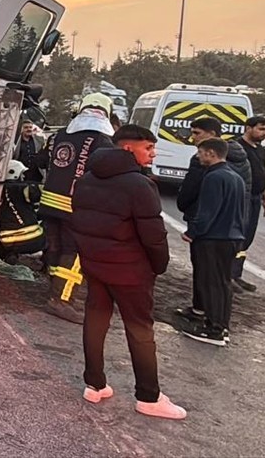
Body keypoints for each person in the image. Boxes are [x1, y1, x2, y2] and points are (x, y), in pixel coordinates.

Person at [69, 124, 185, 420]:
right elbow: (154, 236)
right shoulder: (139, 186)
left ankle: (94, 384)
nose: (153, 153)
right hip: (131, 272)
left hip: (96, 266)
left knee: (95, 321)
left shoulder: (85, 180)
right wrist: (159, 266)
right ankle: (149, 397)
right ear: (127, 148)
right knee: (141, 330)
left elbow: (80, 224)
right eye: (148, 148)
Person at [35, 92, 116, 323]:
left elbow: (42, 161)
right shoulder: (102, 140)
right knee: (75, 254)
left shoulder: (60, 134)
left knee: (55, 248)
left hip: (50, 202)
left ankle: (54, 289)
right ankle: (61, 300)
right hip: (77, 206)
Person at [174, 117, 252, 321]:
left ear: (212, 137)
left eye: (197, 133)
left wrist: (193, 228)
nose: (193, 139)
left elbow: (199, 198)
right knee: (221, 279)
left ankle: (212, 323)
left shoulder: (211, 171)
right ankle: (216, 320)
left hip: (210, 232)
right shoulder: (241, 162)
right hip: (232, 229)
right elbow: (245, 196)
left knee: (207, 276)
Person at [179, 138, 246, 347]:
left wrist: (193, 231)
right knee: (223, 283)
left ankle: (214, 329)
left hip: (213, 238)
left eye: (200, 152)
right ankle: (221, 326)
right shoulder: (236, 178)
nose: (198, 156)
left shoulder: (214, 177)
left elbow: (207, 211)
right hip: (232, 237)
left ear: (211, 153)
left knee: (210, 283)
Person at [233, 115, 265, 292]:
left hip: (256, 198)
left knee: (247, 238)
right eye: (261, 129)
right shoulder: (238, 148)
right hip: (242, 198)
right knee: (237, 236)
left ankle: (236, 275)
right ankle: (227, 275)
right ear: (248, 128)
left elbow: (261, 173)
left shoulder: (261, 150)